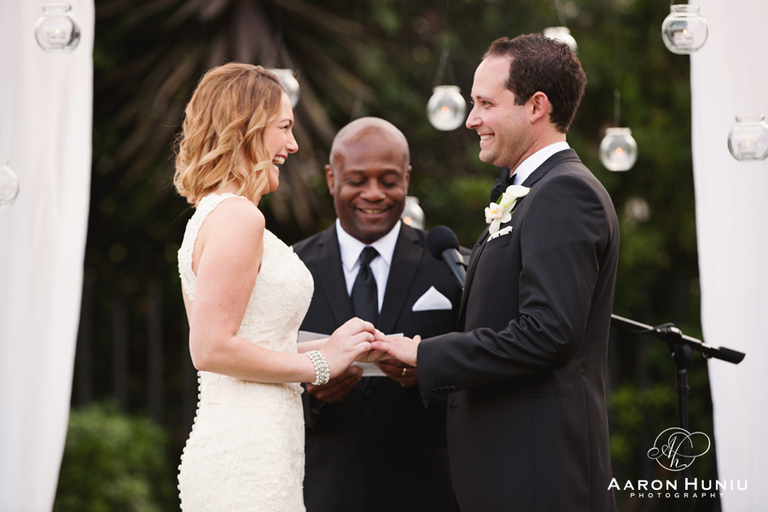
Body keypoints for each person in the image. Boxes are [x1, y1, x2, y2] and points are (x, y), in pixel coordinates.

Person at [372, 34, 620, 512]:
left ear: (536, 106)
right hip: (508, 475)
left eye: (485, 103)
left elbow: (549, 334)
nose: (471, 119)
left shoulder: (565, 193)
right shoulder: (532, 191)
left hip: (539, 478)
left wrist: (429, 355)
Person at [174, 63, 375, 511]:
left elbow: (246, 344)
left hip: (257, 445)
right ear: (246, 128)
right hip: (247, 457)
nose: (293, 144)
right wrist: (322, 365)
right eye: (284, 127)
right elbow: (210, 350)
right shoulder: (239, 218)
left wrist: (337, 347)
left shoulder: (212, 215)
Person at [292, 117, 461, 512]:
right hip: (321, 491)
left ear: (407, 177)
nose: (373, 194)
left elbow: (478, 373)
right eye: (356, 180)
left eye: (388, 180)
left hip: (426, 492)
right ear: (332, 178)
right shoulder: (290, 269)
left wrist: (427, 376)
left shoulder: (450, 266)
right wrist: (311, 395)